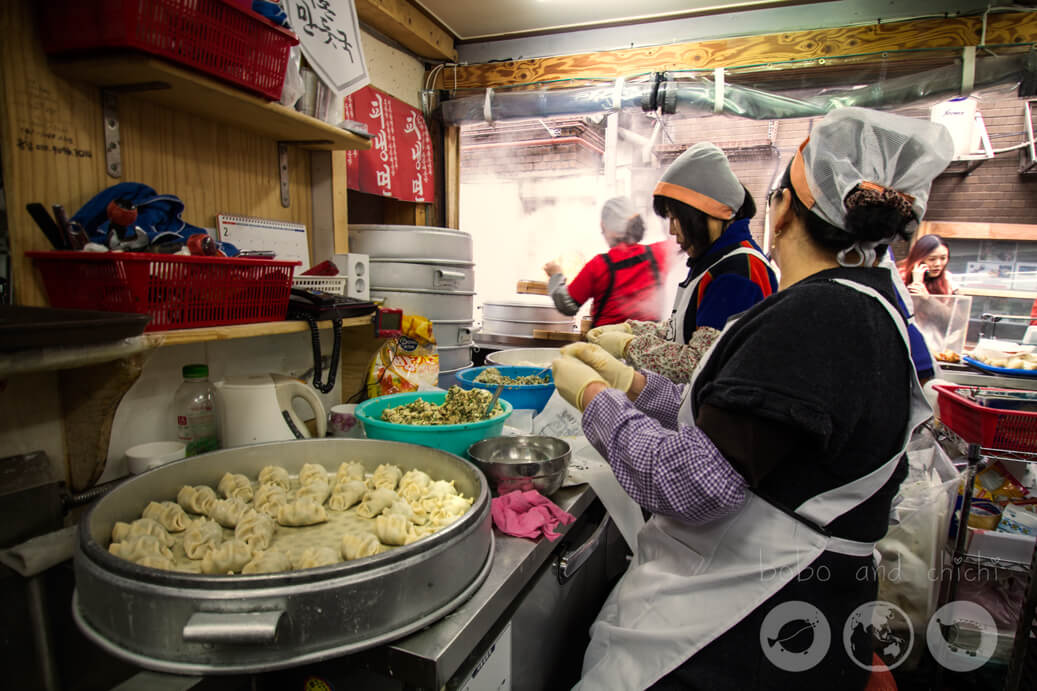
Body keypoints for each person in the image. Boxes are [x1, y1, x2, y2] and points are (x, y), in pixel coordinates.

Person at [551, 107, 954, 690]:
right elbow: (737, 425)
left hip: (740, 619)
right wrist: (632, 384)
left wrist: (594, 399)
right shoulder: (867, 305)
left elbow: (693, 482)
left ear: (785, 206)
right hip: (794, 608)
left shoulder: (819, 314)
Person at [586, 143, 777, 383]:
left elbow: (698, 363)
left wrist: (629, 346)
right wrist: (629, 329)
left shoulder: (737, 273)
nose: (672, 231)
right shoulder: (712, 262)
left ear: (707, 213)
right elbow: (682, 329)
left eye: (676, 218)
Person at [543, 196, 673, 328]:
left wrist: (555, 275)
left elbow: (567, 305)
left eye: (603, 228)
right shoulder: (659, 253)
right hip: (648, 344)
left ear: (612, 231)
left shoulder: (599, 265)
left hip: (606, 345)